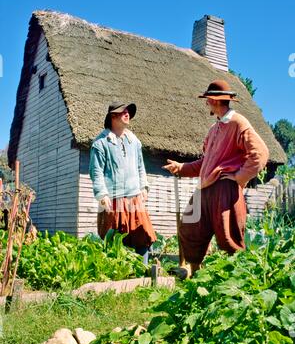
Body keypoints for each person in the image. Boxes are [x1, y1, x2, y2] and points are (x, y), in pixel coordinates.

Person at [163, 80, 269, 278]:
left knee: (228, 236)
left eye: (208, 100)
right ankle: (195, 275)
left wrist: (239, 176)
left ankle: (234, 283)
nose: (207, 104)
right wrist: (181, 167)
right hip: (205, 189)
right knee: (190, 228)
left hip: (224, 189)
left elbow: (260, 153)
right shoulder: (214, 129)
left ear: (214, 100)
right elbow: (206, 163)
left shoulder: (238, 122)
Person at [89, 102, 156, 265]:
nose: (128, 115)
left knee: (142, 235)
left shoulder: (134, 141)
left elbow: (141, 166)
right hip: (113, 199)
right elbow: (96, 171)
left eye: (128, 112)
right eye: (123, 112)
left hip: (134, 198)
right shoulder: (100, 143)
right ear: (113, 116)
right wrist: (102, 194)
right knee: (115, 240)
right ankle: (117, 276)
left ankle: (143, 272)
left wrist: (143, 187)